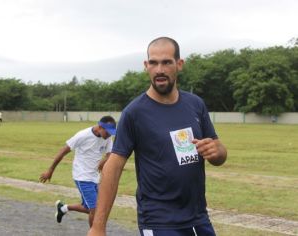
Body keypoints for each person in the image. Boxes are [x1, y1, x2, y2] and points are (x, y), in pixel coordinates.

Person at [88, 37, 227, 236]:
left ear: (179, 64)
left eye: (166, 62)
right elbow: (113, 167)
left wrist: (217, 152)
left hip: (198, 218)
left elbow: (219, 151)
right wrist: (98, 227)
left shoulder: (196, 105)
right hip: (159, 221)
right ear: (146, 66)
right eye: (153, 63)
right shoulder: (134, 113)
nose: (159, 69)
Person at [39, 116, 117, 227]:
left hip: (95, 177)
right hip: (82, 176)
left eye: (112, 133)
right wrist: (50, 170)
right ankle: (94, 233)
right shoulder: (83, 135)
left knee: (89, 208)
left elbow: (109, 154)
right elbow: (63, 152)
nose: (110, 135)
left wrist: (104, 161)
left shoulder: (107, 138)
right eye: (108, 132)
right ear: (100, 127)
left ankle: (63, 208)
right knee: (94, 210)